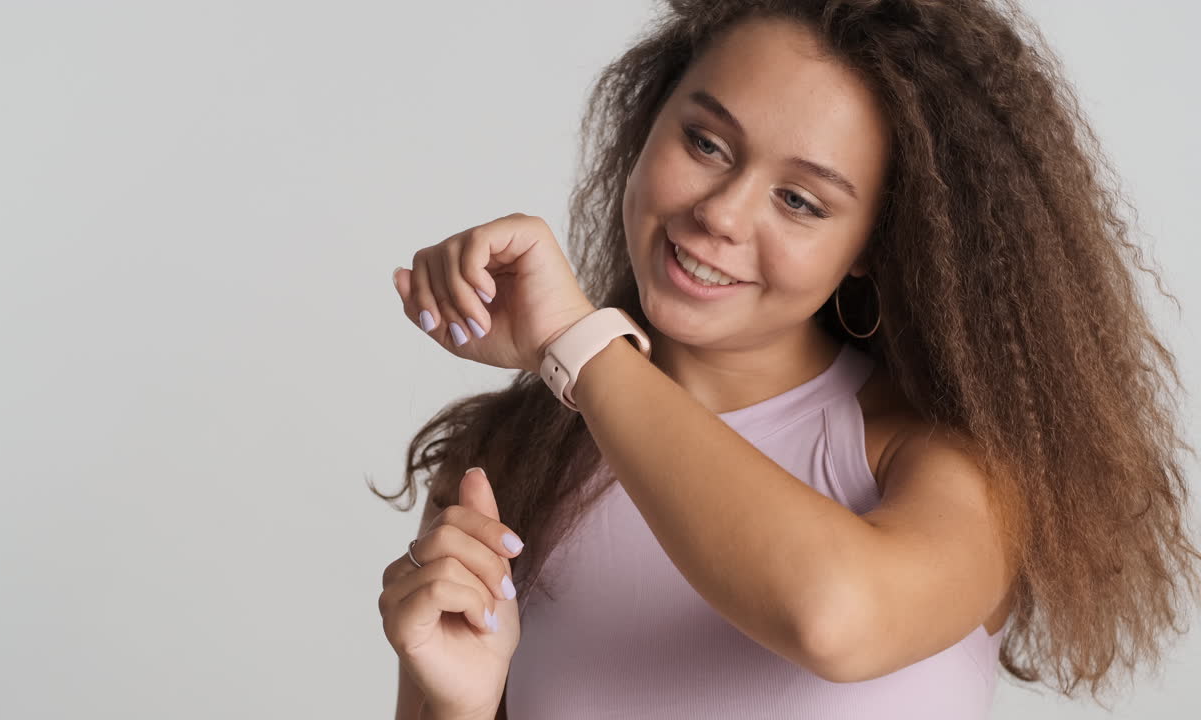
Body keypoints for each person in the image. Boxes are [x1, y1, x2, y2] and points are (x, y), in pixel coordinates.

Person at [373, 1, 1201, 718]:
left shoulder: (947, 465)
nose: (722, 215)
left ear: (873, 247)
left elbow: (833, 618)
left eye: (801, 201)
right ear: (647, 122)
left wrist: (577, 341)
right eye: (705, 142)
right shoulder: (513, 466)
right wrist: (461, 706)